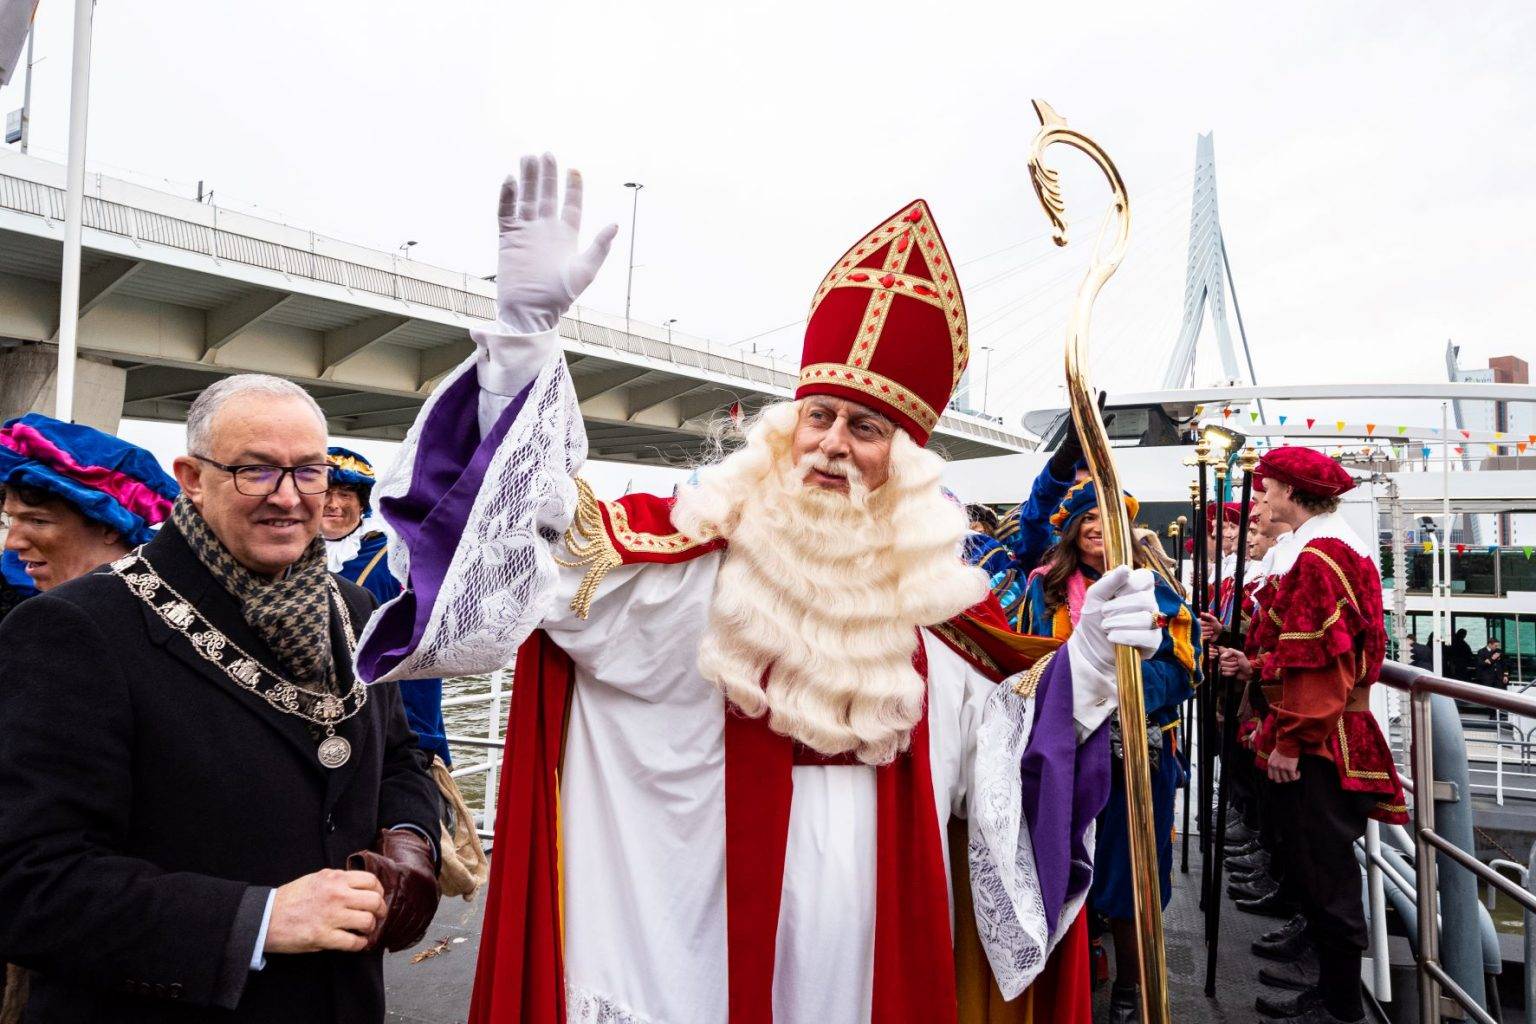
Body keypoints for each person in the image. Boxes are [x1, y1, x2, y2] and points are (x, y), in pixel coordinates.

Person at [354, 155, 1168, 1024]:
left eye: (865, 427)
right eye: (818, 417)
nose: (831, 444)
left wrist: (1083, 668)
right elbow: (519, 545)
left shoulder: (942, 609)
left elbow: (997, 771)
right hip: (684, 957)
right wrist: (520, 346)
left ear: (909, 463)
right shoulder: (681, 563)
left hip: (873, 960)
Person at [0, 376, 442, 1023]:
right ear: (192, 477)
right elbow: (26, 881)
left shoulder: (354, 608)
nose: (288, 498)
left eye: (308, 472)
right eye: (256, 471)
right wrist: (255, 920)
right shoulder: (77, 625)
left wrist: (408, 841)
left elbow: (400, 758)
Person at [0, 415, 180, 1024]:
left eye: (37, 522)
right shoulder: (26, 613)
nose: (13, 543)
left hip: (122, 954)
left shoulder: (168, 639)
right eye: (11, 522)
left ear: (111, 525)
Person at [1218, 447, 1407, 1024]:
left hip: (1323, 739)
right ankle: (1328, 990)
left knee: (1327, 874)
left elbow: (1320, 664)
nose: (1261, 500)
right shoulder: (1326, 550)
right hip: (1321, 731)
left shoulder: (1320, 560)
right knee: (1316, 864)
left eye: (1267, 489)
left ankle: (1339, 1006)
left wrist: (1291, 741)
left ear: (1293, 493)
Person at [1017, 481, 1197, 1024]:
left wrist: (1129, 682)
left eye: (1108, 515)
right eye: (1086, 517)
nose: (1097, 525)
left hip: (1134, 750)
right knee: (1059, 855)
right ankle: (1068, 966)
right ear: (1072, 528)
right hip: (1064, 746)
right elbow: (1026, 663)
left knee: (1131, 871)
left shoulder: (1157, 590)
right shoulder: (1043, 587)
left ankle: (1129, 985)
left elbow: (1186, 667)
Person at [323, 446, 452, 766]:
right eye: (324, 492)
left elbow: (421, 651)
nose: (334, 504)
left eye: (346, 494)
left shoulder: (396, 560)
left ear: (362, 502)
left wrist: (418, 738)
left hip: (379, 724)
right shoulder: (288, 556)